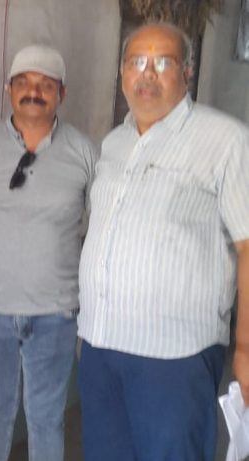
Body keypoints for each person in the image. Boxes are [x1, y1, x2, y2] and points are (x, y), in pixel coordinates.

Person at [78, 22, 249, 461]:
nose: (147, 73)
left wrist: (246, 348)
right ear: (122, 73)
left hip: (174, 357)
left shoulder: (226, 140)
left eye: (162, 62)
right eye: (137, 61)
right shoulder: (114, 143)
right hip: (100, 345)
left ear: (187, 72)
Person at [0, 45, 97, 461]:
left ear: (61, 94)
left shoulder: (83, 152)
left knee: (46, 418)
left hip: (55, 312)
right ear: (9, 89)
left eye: (46, 85)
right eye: (24, 83)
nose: (34, 92)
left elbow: (101, 224)